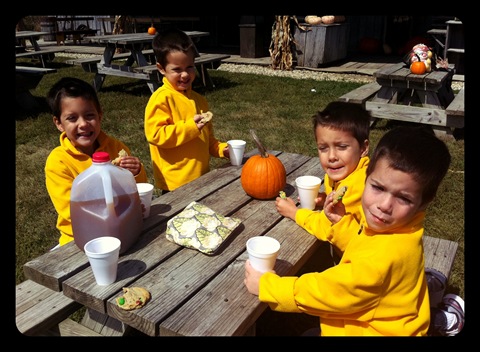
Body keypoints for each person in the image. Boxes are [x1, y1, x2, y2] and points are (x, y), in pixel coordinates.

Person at [245, 125, 461, 336]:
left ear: (424, 203)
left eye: (403, 198)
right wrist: (342, 224)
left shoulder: (382, 259)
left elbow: (329, 292)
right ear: (366, 177)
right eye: (378, 188)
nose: (384, 205)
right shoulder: (401, 231)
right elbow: (366, 248)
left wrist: (267, 286)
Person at [45, 77, 148, 247]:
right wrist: (121, 212)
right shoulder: (59, 162)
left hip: (125, 228)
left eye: (89, 115)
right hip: (80, 238)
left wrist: (136, 172)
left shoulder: (116, 148)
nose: (83, 124)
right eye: (72, 118)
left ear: (99, 116)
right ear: (59, 123)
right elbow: (70, 210)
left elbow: (135, 189)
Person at [275, 101, 371, 261]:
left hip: (362, 264)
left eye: (341, 146)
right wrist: (326, 198)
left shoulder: (360, 184)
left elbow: (326, 227)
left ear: (363, 148)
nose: (332, 156)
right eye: (323, 148)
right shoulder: (342, 174)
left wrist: (295, 213)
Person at [144, 28, 229, 193]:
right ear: (161, 68)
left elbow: (207, 139)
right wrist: (190, 128)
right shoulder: (162, 98)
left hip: (201, 178)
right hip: (175, 183)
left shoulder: (199, 100)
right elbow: (155, 135)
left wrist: (221, 149)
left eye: (189, 67)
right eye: (177, 69)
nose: (185, 74)